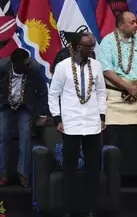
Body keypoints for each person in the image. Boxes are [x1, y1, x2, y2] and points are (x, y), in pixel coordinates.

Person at [49, 33, 106, 217]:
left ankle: (91, 209)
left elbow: (101, 92)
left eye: (92, 45)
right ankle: (68, 209)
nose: (91, 49)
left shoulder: (96, 66)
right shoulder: (62, 67)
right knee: (69, 169)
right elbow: (53, 94)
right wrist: (57, 119)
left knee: (92, 169)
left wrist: (102, 116)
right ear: (78, 46)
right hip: (71, 123)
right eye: (88, 45)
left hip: (92, 123)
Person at [98, 11, 137, 184]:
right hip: (116, 98)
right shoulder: (107, 42)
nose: (136, 25)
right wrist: (127, 87)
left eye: (135, 22)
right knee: (116, 139)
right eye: (132, 23)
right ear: (121, 25)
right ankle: (116, 178)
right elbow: (106, 70)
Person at [0, 48, 48, 187]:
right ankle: (2, 174)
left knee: (26, 136)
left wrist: (43, 113)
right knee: (2, 135)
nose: (29, 64)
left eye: (29, 62)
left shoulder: (33, 68)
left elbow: (42, 90)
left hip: (25, 106)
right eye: (25, 63)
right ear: (15, 64)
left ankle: (24, 175)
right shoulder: (2, 67)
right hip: (4, 104)